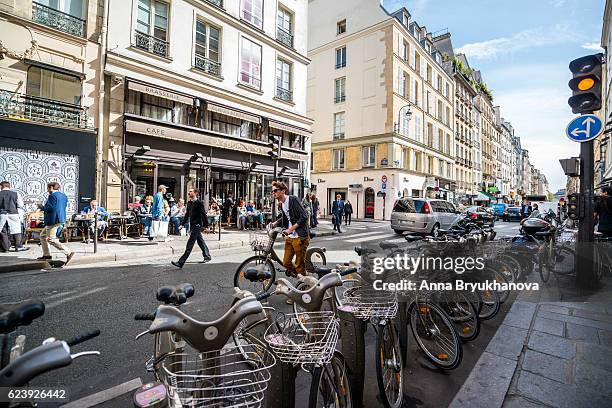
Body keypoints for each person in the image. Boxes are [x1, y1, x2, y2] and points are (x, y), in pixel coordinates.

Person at [271, 181, 310, 279]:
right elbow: (286, 217)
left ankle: (305, 286)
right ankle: (300, 276)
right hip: (290, 237)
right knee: (286, 262)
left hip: (299, 236)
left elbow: (304, 217)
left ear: (283, 191)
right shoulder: (282, 204)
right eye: (272, 191)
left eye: (275, 190)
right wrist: (275, 223)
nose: (273, 193)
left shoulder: (293, 199)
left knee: (299, 266)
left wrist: (290, 229)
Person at [36, 182, 75, 265]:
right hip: (59, 218)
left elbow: (51, 208)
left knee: (51, 239)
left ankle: (68, 253)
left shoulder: (52, 196)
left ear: (51, 188)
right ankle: (47, 255)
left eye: (48, 188)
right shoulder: (63, 196)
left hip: (53, 219)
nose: (47, 190)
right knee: (43, 235)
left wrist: (41, 207)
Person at [171, 188, 211, 268]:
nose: (189, 193)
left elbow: (203, 214)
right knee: (200, 241)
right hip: (192, 225)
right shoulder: (189, 203)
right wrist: (182, 224)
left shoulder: (199, 203)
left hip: (197, 225)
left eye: (191, 191)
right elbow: (187, 215)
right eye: (188, 191)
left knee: (190, 244)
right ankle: (207, 256)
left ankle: (181, 262)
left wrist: (207, 226)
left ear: (195, 193)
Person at [0, 181, 28, 252]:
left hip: (2, 214)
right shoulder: (16, 194)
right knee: (16, 230)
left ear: (1, 186)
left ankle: (5, 248)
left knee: (3, 231)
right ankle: (18, 246)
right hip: (13, 213)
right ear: (9, 186)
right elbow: (20, 205)